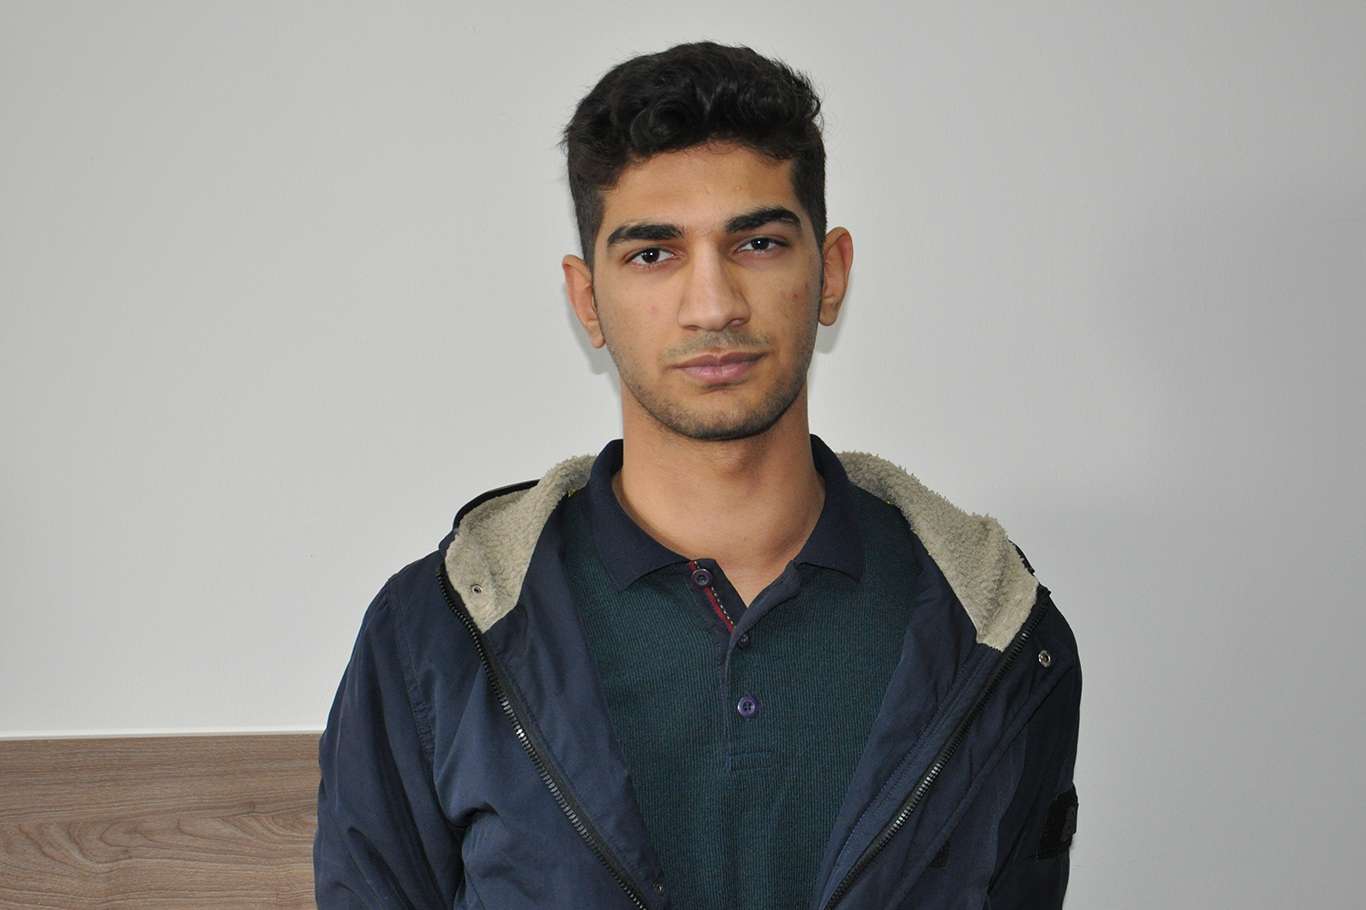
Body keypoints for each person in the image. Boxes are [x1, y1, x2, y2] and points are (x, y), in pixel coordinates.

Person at [313, 40, 1081, 910]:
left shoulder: (995, 632)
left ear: (830, 275)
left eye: (757, 243)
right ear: (587, 299)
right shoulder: (436, 635)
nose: (713, 305)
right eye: (653, 254)